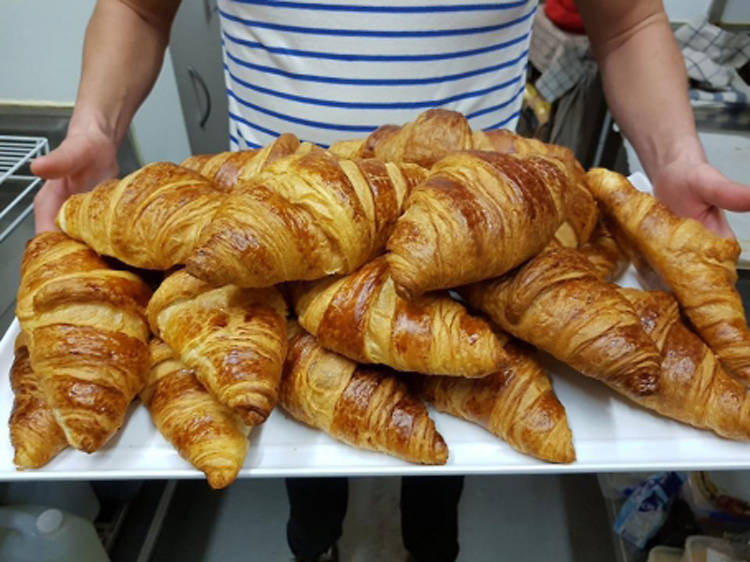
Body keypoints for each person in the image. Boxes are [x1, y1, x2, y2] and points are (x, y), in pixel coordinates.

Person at [30, 2, 750, 561]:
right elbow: (138, 6)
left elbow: (627, 22)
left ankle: (430, 542)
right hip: (259, 234)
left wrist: (673, 156)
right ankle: (315, 542)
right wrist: (94, 124)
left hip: (477, 230)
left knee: (451, 437)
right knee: (301, 454)